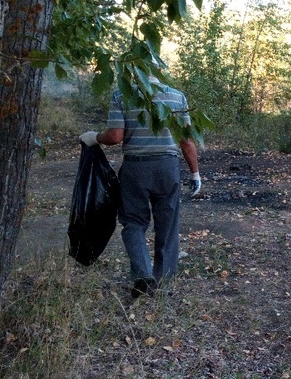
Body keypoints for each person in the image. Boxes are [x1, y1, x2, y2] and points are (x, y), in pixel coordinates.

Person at [79, 76, 201, 297]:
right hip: (167, 167)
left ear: (135, 73)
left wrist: (94, 137)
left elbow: (115, 136)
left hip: (135, 170)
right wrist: (195, 173)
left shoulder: (122, 95)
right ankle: (163, 280)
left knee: (133, 222)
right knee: (168, 224)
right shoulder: (176, 97)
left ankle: (143, 276)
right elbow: (186, 140)